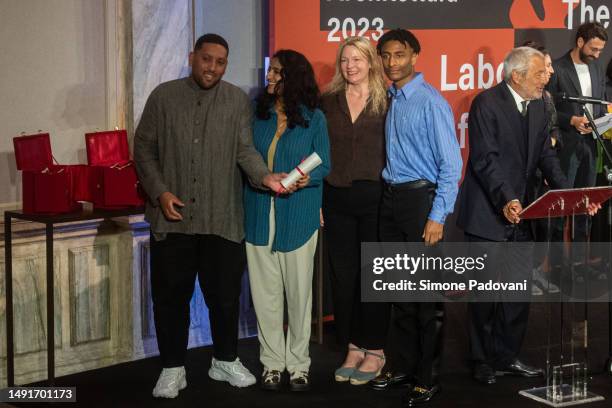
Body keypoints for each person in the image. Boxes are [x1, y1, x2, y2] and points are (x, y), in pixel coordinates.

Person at [134, 33, 288, 399]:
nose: (213, 68)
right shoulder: (163, 96)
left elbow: (245, 152)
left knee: (224, 298)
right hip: (173, 220)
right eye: (207, 59)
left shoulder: (236, 100)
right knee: (171, 298)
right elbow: (143, 148)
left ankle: (225, 360)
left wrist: (265, 176)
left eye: (220, 62)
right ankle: (173, 368)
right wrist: (160, 192)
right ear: (192, 57)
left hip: (223, 218)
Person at [456, 46, 594, 386]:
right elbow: (485, 160)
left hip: (525, 213)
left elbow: (547, 158)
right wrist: (507, 198)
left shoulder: (538, 105)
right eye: (538, 74)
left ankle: (507, 356)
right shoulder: (486, 103)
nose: (545, 79)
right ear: (516, 76)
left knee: (517, 293)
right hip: (489, 212)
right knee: (486, 294)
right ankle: (482, 359)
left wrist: (568, 194)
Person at [373, 29, 463, 406]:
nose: (392, 63)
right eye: (387, 56)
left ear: (415, 56)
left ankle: (428, 376)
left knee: (426, 298)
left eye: (400, 55)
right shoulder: (392, 97)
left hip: (422, 204)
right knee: (400, 292)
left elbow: (451, 165)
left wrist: (437, 215)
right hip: (391, 202)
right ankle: (404, 366)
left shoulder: (430, 102)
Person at [244, 49, 330, 392]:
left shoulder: (314, 118)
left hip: (299, 217)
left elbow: (324, 163)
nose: (269, 77)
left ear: (292, 77)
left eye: (277, 72)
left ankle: (298, 365)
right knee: (264, 297)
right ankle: (271, 364)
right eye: (269, 71)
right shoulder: (257, 113)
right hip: (258, 215)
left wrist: (309, 177)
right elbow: (246, 159)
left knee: (298, 296)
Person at [319, 36, 388, 386]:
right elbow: (316, 151)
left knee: (372, 275)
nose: (351, 66)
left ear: (371, 62)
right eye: (345, 60)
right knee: (343, 277)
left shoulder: (387, 100)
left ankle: (375, 349)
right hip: (336, 198)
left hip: (375, 197)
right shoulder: (327, 101)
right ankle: (353, 345)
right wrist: (316, 198)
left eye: (358, 60)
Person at [546, 22, 608, 268]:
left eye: (600, 50)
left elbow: (600, 104)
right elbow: (547, 110)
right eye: (593, 48)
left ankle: (579, 264)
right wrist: (570, 120)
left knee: (586, 206)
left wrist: (603, 122)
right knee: (562, 207)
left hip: (592, 147)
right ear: (580, 42)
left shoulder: (598, 68)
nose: (597, 54)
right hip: (567, 147)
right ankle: (558, 267)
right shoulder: (557, 69)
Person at [522, 41, 561, 296]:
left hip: (541, 175)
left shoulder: (546, 98)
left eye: (549, 67)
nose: (550, 73)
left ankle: (536, 272)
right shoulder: (500, 101)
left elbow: (554, 129)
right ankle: (522, 276)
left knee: (542, 227)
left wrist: (552, 142)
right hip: (520, 179)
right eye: (544, 68)